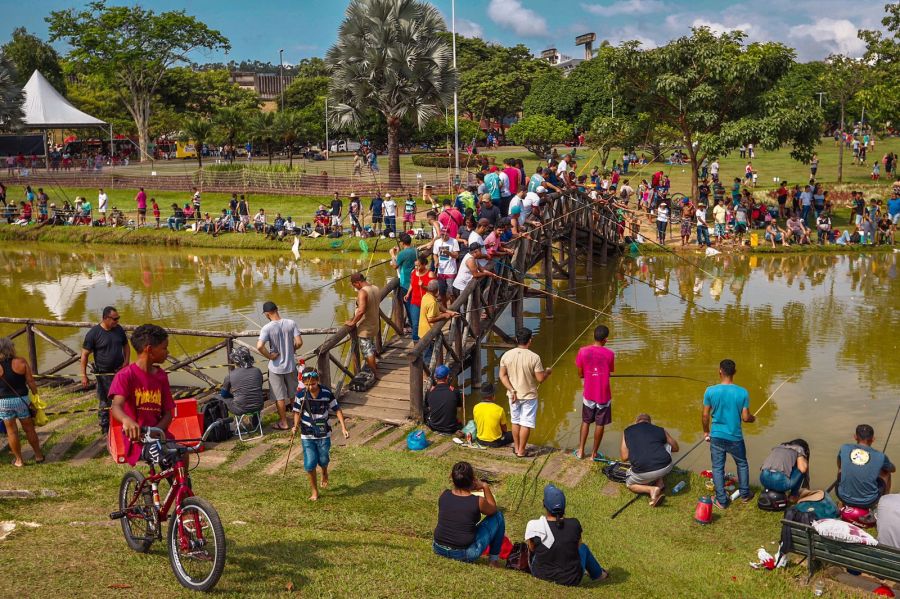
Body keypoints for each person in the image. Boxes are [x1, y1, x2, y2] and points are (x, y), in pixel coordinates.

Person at [108, 324, 175, 467]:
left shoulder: (161, 376)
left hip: (160, 435)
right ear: (149, 349)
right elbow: (116, 406)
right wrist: (126, 420)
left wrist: (156, 431)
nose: (167, 352)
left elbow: (168, 413)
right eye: (164, 348)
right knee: (167, 456)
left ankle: (182, 487)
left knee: (181, 454)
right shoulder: (125, 375)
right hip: (138, 441)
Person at [526, 484, 608, 586]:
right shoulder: (574, 524)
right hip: (571, 579)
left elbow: (532, 548)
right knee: (583, 548)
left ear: (544, 504)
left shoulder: (533, 525)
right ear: (564, 506)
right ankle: (599, 575)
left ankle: (598, 573)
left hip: (540, 575)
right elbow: (577, 546)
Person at [702, 359, 755, 509]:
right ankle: (745, 495)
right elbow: (746, 418)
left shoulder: (710, 391)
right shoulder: (743, 392)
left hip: (717, 436)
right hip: (735, 437)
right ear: (734, 373)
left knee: (718, 468)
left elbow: (705, 416)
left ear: (720, 371)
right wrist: (753, 418)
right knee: (742, 464)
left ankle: (721, 501)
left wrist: (706, 431)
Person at [292, 367, 349, 501]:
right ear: (303, 383)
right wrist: (295, 426)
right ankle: (314, 491)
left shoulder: (326, 393)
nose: (310, 387)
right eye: (307, 385)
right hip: (307, 434)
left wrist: (343, 428)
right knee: (310, 463)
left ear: (318, 380)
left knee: (323, 459)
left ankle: (324, 471)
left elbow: (337, 409)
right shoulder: (300, 395)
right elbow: (296, 412)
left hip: (323, 433)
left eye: (313, 384)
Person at [433, 461, 506, 566]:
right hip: (463, 553)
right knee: (498, 516)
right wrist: (485, 486)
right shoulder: (478, 501)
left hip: (438, 547)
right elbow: (493, 509)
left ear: (452, 478)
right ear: (472, 480)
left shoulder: (443, 494)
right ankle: (493, 560)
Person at [500, 327, 551, 458]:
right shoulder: (534, 357)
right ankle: (522, 451)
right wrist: (547, 373)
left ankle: (516, 448)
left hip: (513, 395)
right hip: (529, 396)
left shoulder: (506, 355)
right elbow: (540, 379)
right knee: (526, 423)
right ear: (530, 340)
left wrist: (511, 389)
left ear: (517, 339)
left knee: (515, 421)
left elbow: (503, 375)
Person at [81, 306, 130, 434]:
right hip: (103, 374)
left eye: (118, 318)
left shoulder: (118, 329)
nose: (117, 321)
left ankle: (122, 424)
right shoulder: (94, 333)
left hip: (120, 371)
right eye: (115, 319)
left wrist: (126, 362)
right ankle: (105, 427)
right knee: (105, 401)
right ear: (105, 318)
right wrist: (83, 375)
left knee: (123, 398)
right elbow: (84, 355)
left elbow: (126, 345)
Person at [256, 301, 303, 431]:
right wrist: (292, 349)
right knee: (293, 394)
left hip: (275, 368)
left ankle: (284, 422)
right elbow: (299, 342)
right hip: (291, 366)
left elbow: (260, 346)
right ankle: (296, 421)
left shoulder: (267, 328)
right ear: (277, 309)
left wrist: (270, 356)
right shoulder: (291, 323)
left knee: (279, 396)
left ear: (266, 314)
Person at [0, 336, 44, 466]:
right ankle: (38, 455)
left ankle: (19, 460)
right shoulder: (21, 362)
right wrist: (36, 395)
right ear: (11, 348)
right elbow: (30, 381)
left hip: (3, 402)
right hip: (22, 400)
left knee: (11, 432)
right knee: (29, 428)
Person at [574, 325, 614, 460]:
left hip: (588, 394)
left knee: (585, 421)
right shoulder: (610, 354)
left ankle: (580, 451)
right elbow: (609, 370)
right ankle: (594, 454)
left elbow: (580, 373)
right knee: (600, 424)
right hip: (603, 395)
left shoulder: (582, 351)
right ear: (605, 340)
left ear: (594, 336)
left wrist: (587, 374)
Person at [621, 414, 679, 506]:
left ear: (636, 422)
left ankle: (651, 489)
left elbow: (624, 457)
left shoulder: (627, 431)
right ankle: (660, 482)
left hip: (643, 471)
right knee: (666, 445)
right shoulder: (660, 429)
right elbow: (675, 448)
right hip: (666, 466)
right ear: (650, 422)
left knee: (630, 484)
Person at [837, 424, 895, 509]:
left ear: (855, 437)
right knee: (887, 473)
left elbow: (839, 464)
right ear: (873, 439)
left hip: (842, 496)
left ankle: (842, 500)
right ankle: (883, 504)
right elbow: (892, 469)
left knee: (841, 468)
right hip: (868, 502)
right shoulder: (880, 456)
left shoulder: (844, 448)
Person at [345, 273, 381, 378]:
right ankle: (374, 366)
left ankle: (375, 373)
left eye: (354, 285)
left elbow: (361, 311)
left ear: (358, 283)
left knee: (367, 351)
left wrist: (352, 322)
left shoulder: (362, 292)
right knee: (371, 347)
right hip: (374, 324)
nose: (354, 288)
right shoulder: (375, 288)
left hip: (365, 327)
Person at [419, 280, 458, 370]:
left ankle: (432, 373)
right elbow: (430, 319)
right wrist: (443, 316)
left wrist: (449, 311)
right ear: (437, 290)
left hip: (423, 330)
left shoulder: (427, 296)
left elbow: (438, 306)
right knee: (428, 357)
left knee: (429, 354)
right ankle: (427, 377)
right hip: (429, 333)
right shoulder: (431, 302)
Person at [219, 346, 265, 417]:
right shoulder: (257, 371)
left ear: (236, 361)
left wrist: (232, 395)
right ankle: (256, 422)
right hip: (259, 406)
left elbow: (224, 394)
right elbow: (259, 386)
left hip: (241, 409)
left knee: (219, 398)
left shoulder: (230, 375)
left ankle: (224, 424)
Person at [405, 255, 435, 342]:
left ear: (424, 264)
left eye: (418, 265)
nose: (417, 267)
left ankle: (428, 341)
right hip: (415, 301)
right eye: (415, 265)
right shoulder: (413, 272)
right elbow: (412, 283)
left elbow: (434, 290)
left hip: (426, 302)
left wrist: (423, 286)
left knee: (427, 323)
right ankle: (416, 343)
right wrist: (408, 293)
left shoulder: (430, 274)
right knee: (415, 324)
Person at [425, 364, 461, 434]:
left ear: (435, 377)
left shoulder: (429, 391)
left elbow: (429, 408)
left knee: (426, 411)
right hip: (451, 428)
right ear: (447, 376)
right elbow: (459, 409)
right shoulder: (455, 391)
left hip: (434, 427)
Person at [473, 382, 512, 447]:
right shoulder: (499, 409)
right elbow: (504, 429)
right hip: (495, 442)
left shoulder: (476, 407)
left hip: (480, 440)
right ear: (493, 395)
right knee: (512, 434)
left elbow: (476, 424)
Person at [432, 225, 460, 300]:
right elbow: (435, 254)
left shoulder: (454, 241)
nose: (443, 236)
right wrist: (436, 261)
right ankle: (445, 309)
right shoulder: (437, 242)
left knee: (451, 292)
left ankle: (453, 308)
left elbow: (456, 256)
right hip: (441, 271)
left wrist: (449, 253)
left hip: (450, 271)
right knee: (441, 292)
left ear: (449, 234)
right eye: (442, 234)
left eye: (445, 235)